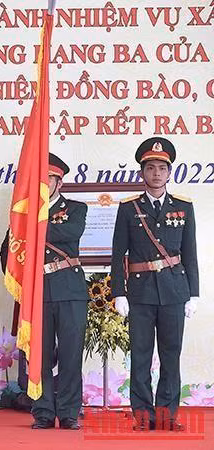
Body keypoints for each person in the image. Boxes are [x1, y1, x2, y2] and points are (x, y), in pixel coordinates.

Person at [111, 137, 199, 431]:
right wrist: (118, 292)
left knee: (171, 355)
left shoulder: (184, 207)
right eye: (151, 168)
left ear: (170, 172)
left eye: (162, 167)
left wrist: (194, 294)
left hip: (175, 290)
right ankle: (143, 416)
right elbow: (117, 253)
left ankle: (166, 416)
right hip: (141, 292)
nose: (157, 173)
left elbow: (190, 253)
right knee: (141, 355)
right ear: (142, 173)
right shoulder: (128, 208)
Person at [29, 154, 89, 430]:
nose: (43, 183)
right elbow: (9, 249)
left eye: (49, 178)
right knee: (38, 355)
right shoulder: (23, 212)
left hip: (69, 289)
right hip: (37, 290)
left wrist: (36, 226)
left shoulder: (76, 208)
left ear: (58, 182)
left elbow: (71, 233)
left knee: (70, 353)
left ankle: (67, 412)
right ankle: (42, 411)